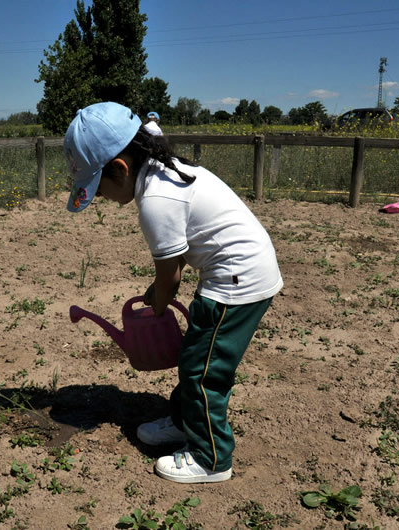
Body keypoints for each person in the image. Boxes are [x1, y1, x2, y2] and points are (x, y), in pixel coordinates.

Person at [64, 102, 283, 483]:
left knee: (203, 371)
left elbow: (171, 276)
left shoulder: (156, 202)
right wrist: (159, 290)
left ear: (120, 168)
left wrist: (157, 306)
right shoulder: (155, 162)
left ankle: (210, 458)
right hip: (235, 270)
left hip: (238, 279)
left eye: (98, 189)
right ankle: (186, 422)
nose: (99, 198)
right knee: (198, 357)